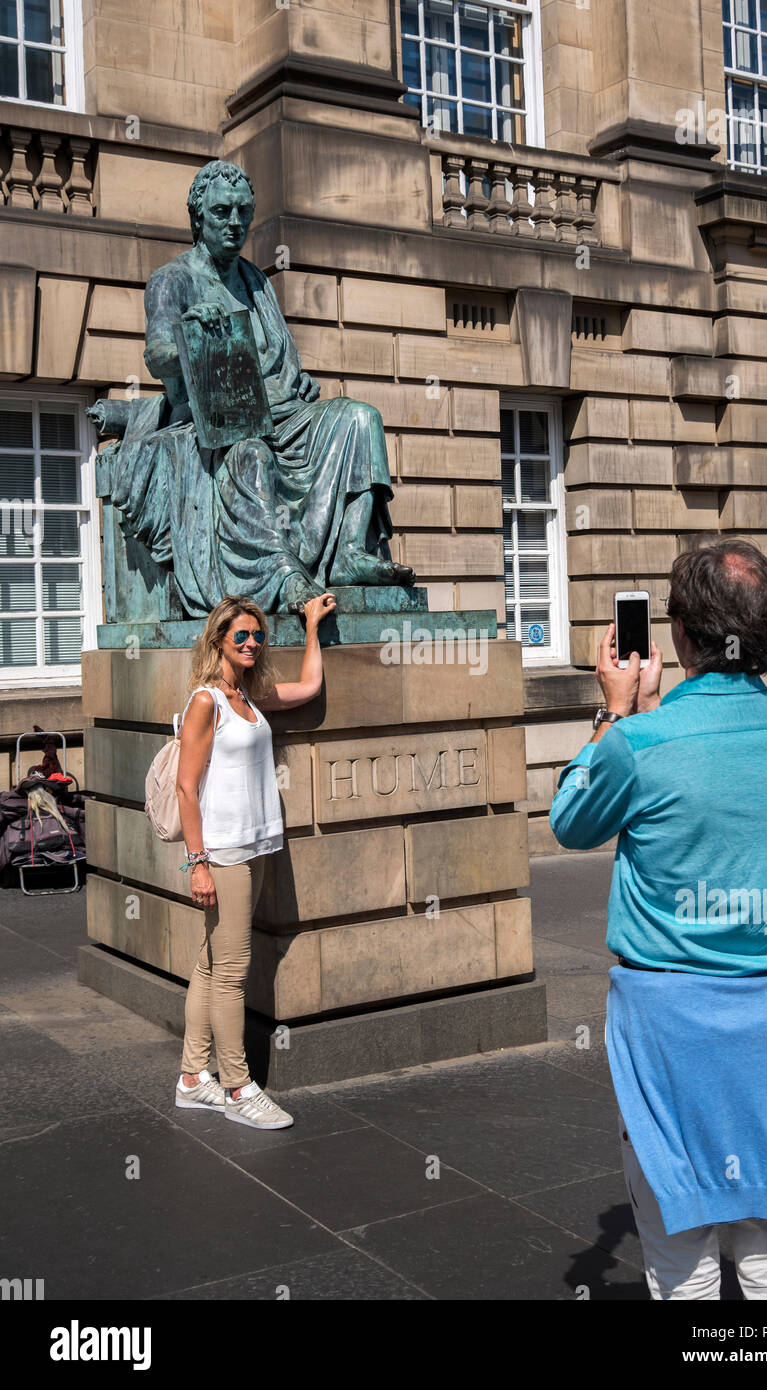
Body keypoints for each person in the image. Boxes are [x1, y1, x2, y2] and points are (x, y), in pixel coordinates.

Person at [550, 539, 767, 1299]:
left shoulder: (640, 744)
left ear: (679, 635)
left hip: (670, 1024)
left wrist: (616, 714)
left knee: (678, 1253)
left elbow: (572, 822)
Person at [88, 159, 413, 617]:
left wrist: (297, 378)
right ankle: (281, 577)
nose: (235, 223)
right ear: (198, 218)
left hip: (283, 411)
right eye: (222, 212)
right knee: (251, 454)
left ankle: (348, 554)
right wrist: (189, 332)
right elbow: (157, 354)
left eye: (244, 212)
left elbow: (278, 359)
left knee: (361, 417)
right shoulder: (172, 279)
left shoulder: (257, 280)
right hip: (218, 423)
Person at [174, 589, 335, 1128]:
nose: (250, 642)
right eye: (239, 634)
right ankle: (239, 1087)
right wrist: (197, 862)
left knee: (211, 962)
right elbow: (185, 788)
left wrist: (311, 624)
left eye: (257, 635)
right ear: (218, 639)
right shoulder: (207, 702)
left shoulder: (249, 697)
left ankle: (193, 1078)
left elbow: (310, 687)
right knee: (232, 972)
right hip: (224, 851)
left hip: (258, 845)